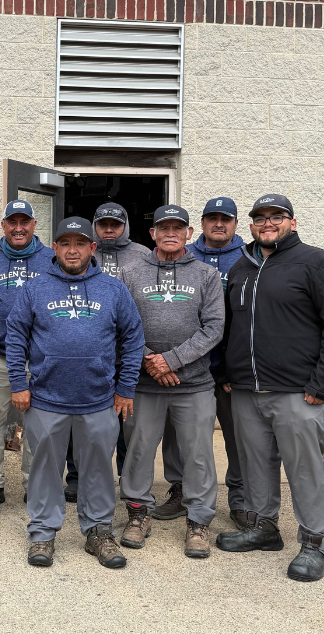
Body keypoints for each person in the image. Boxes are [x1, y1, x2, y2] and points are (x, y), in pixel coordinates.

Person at [216, 194, 324, 582]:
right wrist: (228, 372)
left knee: (304, 469)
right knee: (255, 464)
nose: (267, 223)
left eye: (276, 216)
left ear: (292, 222)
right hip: (246, 389)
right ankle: (263, 528)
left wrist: (322, 383)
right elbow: (232, 326)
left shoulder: (318, 263)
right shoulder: (241, 268)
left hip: (299, 391)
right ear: (251, 225)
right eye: (259, 217)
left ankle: (316, 543)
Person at [5, 217, 144, 568]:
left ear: (92, 248)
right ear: (54, 247)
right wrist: (19, 384)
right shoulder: (35, 288)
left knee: (97, 466)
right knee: (45, 468)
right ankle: (42, 533)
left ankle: (98, 531)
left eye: (79, 243)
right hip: (46, 400)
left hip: (98, 400)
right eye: (64, 243)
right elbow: (15, 336)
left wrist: (125, 388)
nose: (72, 250)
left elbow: (133, 339)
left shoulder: (113, 289)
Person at [117, 205, 224, 559]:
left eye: (178, 227)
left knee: (198, 457)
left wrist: (171, 360)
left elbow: (214, 327)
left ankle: (198, 522)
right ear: (152, 234)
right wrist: (151, 362)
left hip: (193, 384)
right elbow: (122, 327)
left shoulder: (206, 275)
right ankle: (137, 515)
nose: (170, 233)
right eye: (164, 227)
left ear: (189, 233)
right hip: (143, 385)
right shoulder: (130, 273)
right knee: (138, 451)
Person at [157, 197, 247, 529]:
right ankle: (180, 489)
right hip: (181, 369)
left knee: (236, 438)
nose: (219, 224)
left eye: (226, 219)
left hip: (228, 370)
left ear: (236, 224)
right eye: (213, 218)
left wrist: (233, 368)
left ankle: (239, 499)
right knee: (178, 437)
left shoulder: (249, 259)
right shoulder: (183, 256)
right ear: (202, 223)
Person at [58, 202, 152, 503]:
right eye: (103, 224)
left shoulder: (143, 255)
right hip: (91, 355)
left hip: (127, 353)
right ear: (94, 230)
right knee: (80, 418)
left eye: (115, 223)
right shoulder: (83, 252)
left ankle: (126, 477)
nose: (110, 228)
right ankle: (75, 476)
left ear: (125, 225)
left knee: (125, 419)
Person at [0, 199, 55, 513]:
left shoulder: (51, 259)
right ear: (4, 225)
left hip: (39, 359)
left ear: (34, 225)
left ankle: (34, 485)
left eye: (25, 222)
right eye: (12, 222)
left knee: (37, 426)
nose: (18, 228)